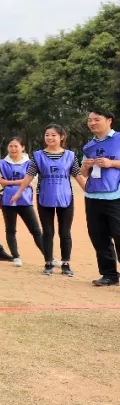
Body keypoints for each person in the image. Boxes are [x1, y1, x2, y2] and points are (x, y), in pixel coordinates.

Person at [17, 124, 78, 276]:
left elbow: (77, 175)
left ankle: (66, 264)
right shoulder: (37, 155)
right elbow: (29, 175)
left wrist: (90, 190)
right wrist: (19, 192)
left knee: (65, 232)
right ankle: (48, 262)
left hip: (66, 197)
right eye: (47, 135)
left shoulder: (71, 155)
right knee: (48, 231)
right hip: (45, 197)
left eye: (53, 135)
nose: (49, 138)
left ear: (61, 137)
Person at [0, 137, 43, 268]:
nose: (13, 149)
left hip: (25, 200)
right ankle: (16, 256)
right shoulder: (2, 163)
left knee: (35, 230)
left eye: (16, 146)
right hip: (7, 200)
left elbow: (32, 179)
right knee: (10, 230)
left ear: (23, 147)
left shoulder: (30, 163)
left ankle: (49, 256)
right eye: (11, 146)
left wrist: (8, 182)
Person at [79, 108, 120, 287]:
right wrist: (86, 166)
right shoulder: (89, 146)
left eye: (97, 119)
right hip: (93, 196)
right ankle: (109, 275)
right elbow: (83, 173)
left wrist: (111, 163)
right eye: (90, 120)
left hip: (116, 196)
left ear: (109, 120)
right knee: (98, 237)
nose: (92, 123)